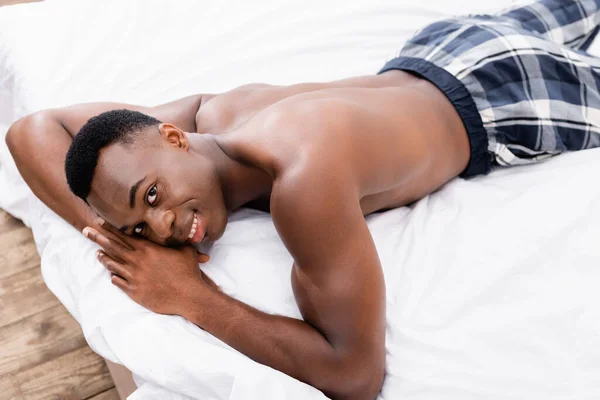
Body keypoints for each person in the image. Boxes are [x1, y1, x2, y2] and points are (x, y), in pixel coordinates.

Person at [6, 1, 600, 399]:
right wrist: (110, 231)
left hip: (512, 95)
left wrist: (192, 296)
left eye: (152, 196)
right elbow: (28, 131)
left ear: (173, 140)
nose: (162, 227)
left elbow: (356, 374)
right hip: (443, 50)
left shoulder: (303, 183)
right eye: (143, 227)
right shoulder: (203, 118)